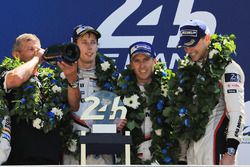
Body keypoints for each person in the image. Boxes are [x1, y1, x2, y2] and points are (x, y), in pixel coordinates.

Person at [0, 33, 80, 164]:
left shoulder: (51, 80)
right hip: (19, 159)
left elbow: (74, 105)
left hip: (50, 158)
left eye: (39, 49)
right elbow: (15, 79)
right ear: (16, 54)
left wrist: (72, 79)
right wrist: (36, 59)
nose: (39, 53)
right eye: (31, 49)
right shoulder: (7, 72)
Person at [174, 19, 245, 165]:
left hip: (216, 150)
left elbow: (237, 112)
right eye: (185, 46)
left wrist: (230, 151)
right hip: (192, 152)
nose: (188, 50)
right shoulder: (187, 71)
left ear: (207, 39)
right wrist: (181, 156)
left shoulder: (227, 67)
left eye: (192, 44)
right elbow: (182, 116)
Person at [63, 25, 127, 165]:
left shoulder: (113, 77)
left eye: (93, 42)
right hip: (73, 152)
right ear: (74, 45)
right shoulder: (63, 75)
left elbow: (124, 108)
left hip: (105, 151)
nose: (89, 47)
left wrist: (120, 118)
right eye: (84, 42)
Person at [116, 41, 178, 164]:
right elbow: (110, 122)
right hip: (130, 155)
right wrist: (115, 123)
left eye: (146, 59)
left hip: (163, 154)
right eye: (137, 61)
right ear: (131, 65)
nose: (142, 65)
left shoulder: (169, 87)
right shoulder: (120, 90)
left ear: (155, 61)